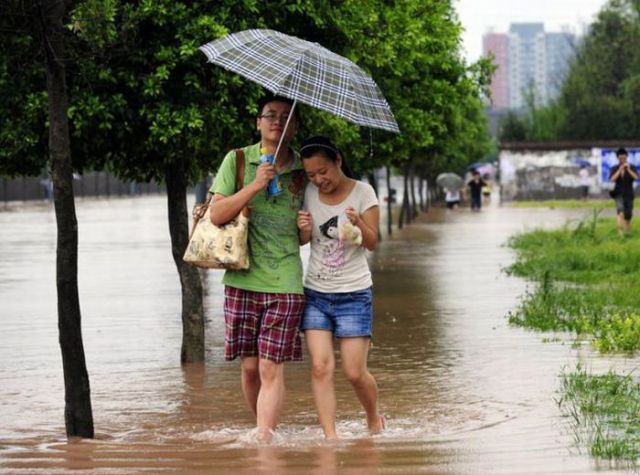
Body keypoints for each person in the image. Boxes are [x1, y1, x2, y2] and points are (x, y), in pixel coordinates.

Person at [209, 95, 307, 442]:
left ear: (294, 127)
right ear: (258, 122)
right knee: (250, 369)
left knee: (270, 367)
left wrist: (307, 229)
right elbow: (217, 215)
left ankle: (264, 442)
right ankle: (268, 429)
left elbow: (304, 236)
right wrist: (255, 185)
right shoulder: (237, 160)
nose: (277, 122)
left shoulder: (303, 171)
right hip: (241, 277)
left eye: (285, 117)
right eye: (270, 115)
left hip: (285, 280)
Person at [296, 136, 384, 440]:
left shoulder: (363, 192)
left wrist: (358, 222)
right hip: (316, 294)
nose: (319, 180)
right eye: (311, 175)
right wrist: (303, 231)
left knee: (354, 372)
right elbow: (303, 241)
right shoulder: (308, 192)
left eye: (323, 171)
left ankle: (373, 416)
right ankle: (330, 437)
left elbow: (373, 243)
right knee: (320, 367)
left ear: (338, 161)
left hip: (354, 294)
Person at [609, 147, 638, 235]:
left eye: (624, 158)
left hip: (629, 193)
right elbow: (612, 179)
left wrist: (628, 169)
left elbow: (636, 178)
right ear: (617, 158)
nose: (622, 160)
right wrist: (620, 170)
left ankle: (628, 232)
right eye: (620, 158)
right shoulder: (614, 168)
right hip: (618, 193)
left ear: (627, 157)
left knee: (628, 215)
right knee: (620, 212)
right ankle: (620, 233)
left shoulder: (632, 167)